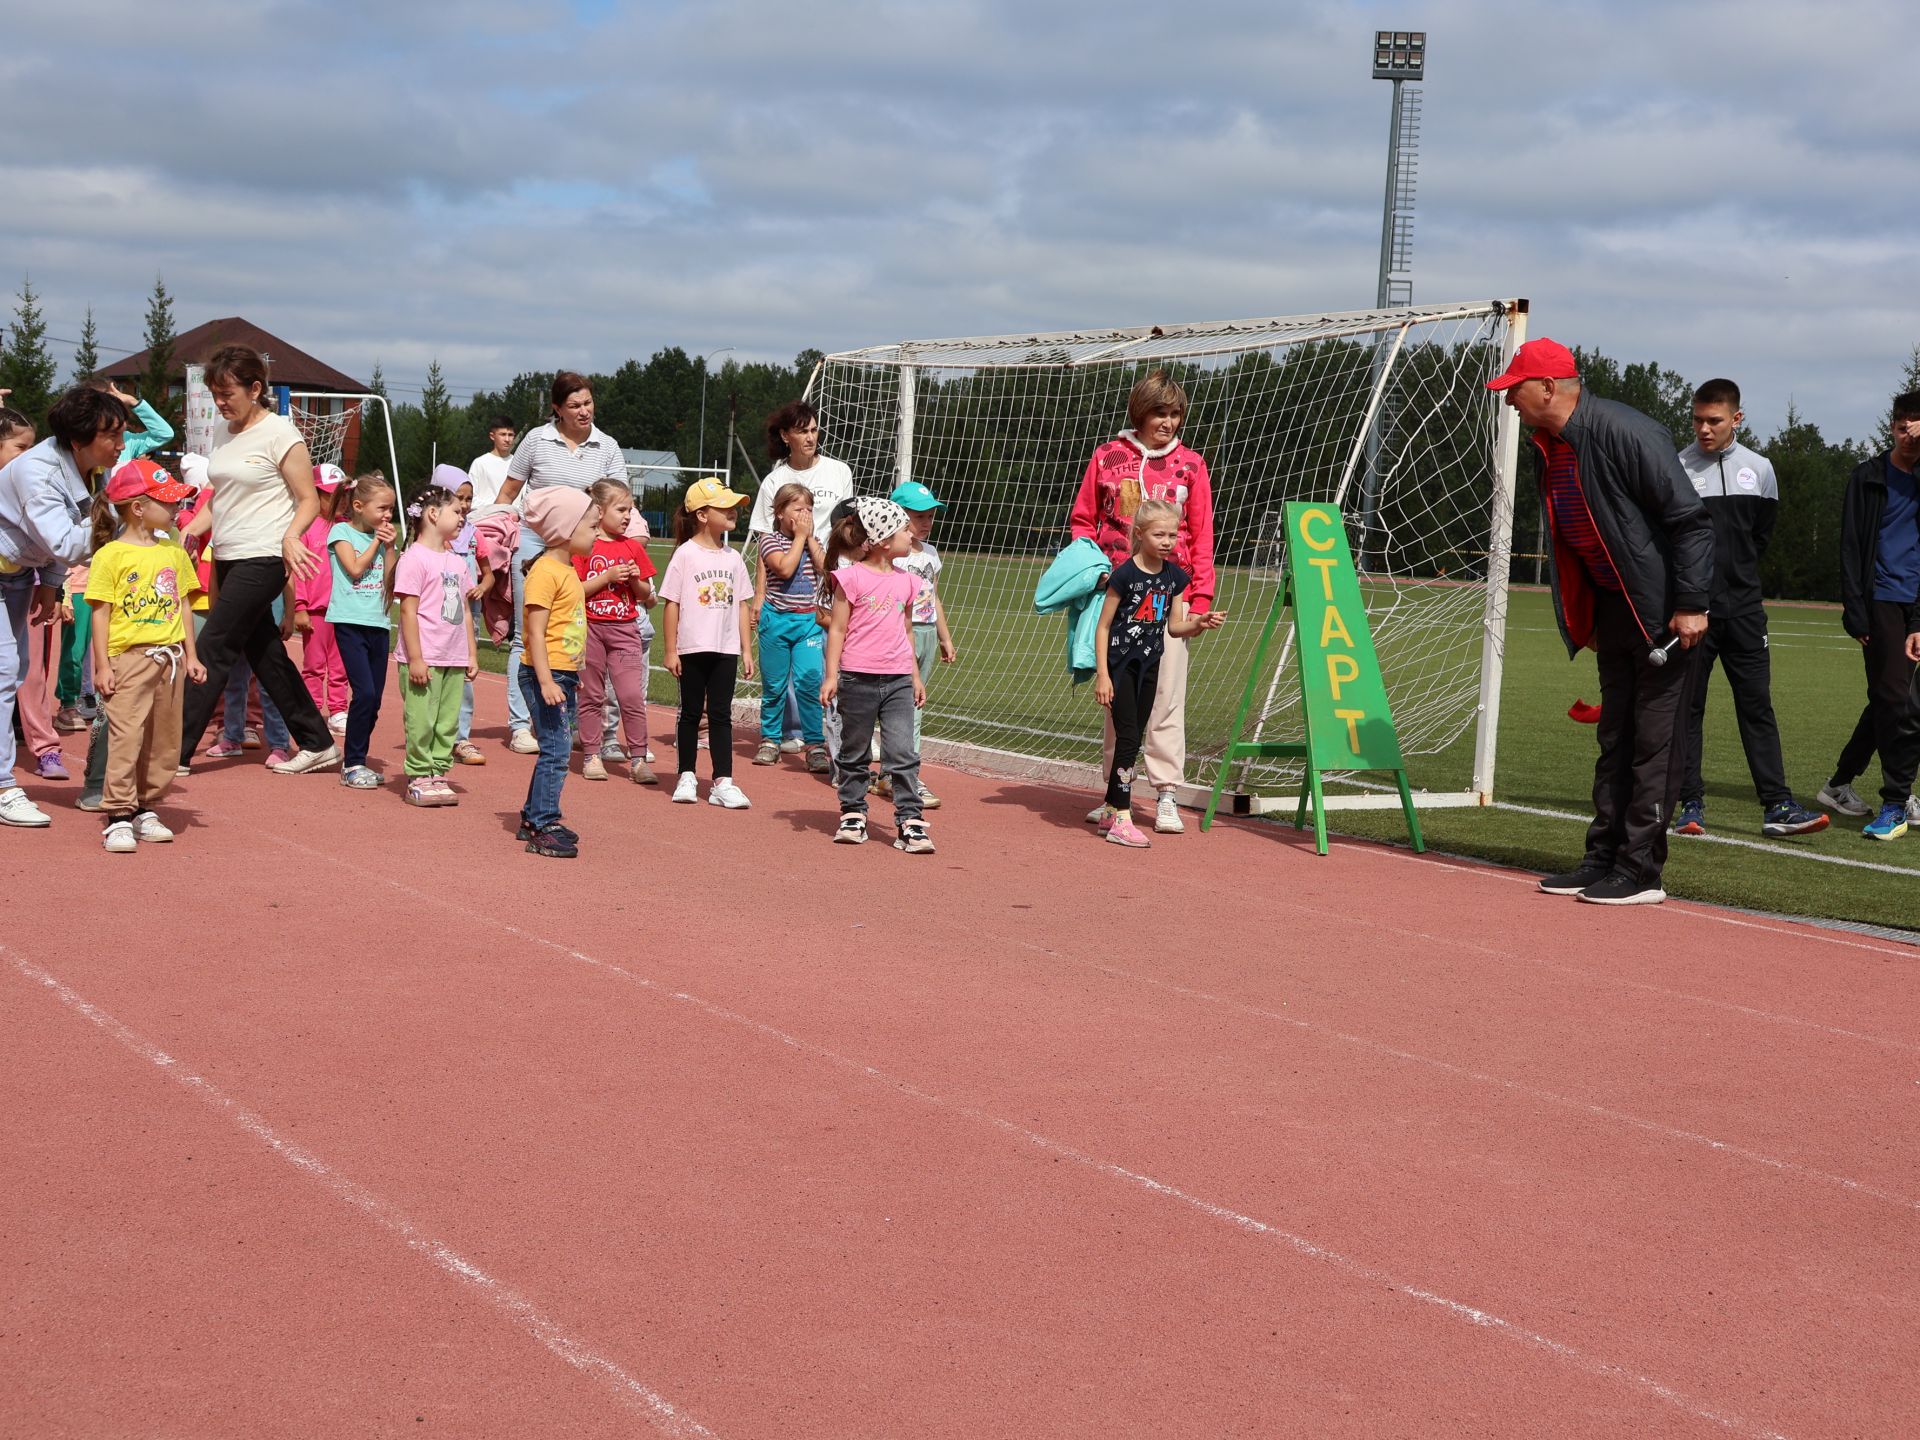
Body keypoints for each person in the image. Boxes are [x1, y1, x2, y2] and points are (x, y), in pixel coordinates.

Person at [1490, 338, 1714, 905]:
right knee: (1615, 738)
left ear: (1546, 388)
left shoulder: (1626, 432)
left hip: (1662, 613)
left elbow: (1690, 521)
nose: (1508, 401)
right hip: (1617, 607)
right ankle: (1602, 859)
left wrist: (1689, 604)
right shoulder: (1554, 443)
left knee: (1652, 744)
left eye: (1513, 389)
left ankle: (1641, 872)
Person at [1670, 380, 1828, 838]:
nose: (1704, 429)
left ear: (1736, 419)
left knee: (1757, 706)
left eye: (1714, 421)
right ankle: (1690, 804)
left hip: (1743, 610)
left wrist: (1733, 579)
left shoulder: (1760, 470)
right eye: (1697, 419)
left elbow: (1759, 536)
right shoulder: (1675, 467)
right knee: (1688, 708)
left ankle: (1777, 805)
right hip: (1693, 612)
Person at [176, 345, 339, 775]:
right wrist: (193, 529)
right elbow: (223, 496)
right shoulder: (224, 432)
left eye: (227, 393)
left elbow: (308, 501)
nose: (220, 402)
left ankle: (172, 751)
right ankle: (317, 741)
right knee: (266, 654)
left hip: (264, 557)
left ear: (255, 388)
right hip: (227, 554)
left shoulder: (282, 434)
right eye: (214, 394)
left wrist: (290, 536)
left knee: (214, 646)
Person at [1069, 368, 1217, 836]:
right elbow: (1082, 521)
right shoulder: (1107, 457)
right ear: (1140, 413)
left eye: (1176, 414)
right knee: (1120, 704)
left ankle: (1168, 793)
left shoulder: (1192, 465)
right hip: (1118, 599)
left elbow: (1202, 535)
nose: (1168, 422)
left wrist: (1200, 596)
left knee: (1167, 701)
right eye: (1160, 412)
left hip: (1171, 599)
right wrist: (1091, 570)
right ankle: (1117, 795)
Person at [0, 386, 129, 828]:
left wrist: (52, 583)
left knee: (15, 671)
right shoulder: (36, 471)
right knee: (3, 671)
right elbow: (64, 539)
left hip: (19, 572)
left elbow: (69, 536)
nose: (121, 445)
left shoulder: (92, 468)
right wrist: (128, 526)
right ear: (77, 439)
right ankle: (3, 786)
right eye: (111, 436)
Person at [492, 376, 626, 754]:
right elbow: (509, 492)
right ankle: (521, 725)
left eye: (588, 403)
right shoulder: (536, 440)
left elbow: (619, 502)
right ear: (557, 409)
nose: (584, 411)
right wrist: (494, 532)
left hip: (586, 543)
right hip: (537, 542)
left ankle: (580, 725)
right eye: (574, 406)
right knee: (528, 630)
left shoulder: (608, 447)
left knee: (578, 629)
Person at [83, 460, 206, 851]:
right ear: (138, 507)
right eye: (167, 503)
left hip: (170, 660)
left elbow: (184, 604)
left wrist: (193, 654)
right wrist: (102, 666)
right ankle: (118, 812)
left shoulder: (173, 551)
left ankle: (146, 805)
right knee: (126, 735)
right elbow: (100, 613)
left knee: (164, 738)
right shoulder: (111, 556)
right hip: (129, 658)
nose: (175, 510)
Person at [1090, 499, 1227, 848]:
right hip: (1121, 666)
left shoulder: (1175, 577)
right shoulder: (1125, 575)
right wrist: (1103, 675)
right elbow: (1103, 627)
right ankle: (1121, 815)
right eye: (1159, 534)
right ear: (1140, 534)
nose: (1167, 541)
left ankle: (1109, 807)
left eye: (1173, 534)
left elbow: (1176, 627)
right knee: (1128, 738)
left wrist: (1200, 622)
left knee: (1135, 735)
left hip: (1150, 665)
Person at [1828, 390, 1920, 841]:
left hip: (1916, 603)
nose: (1909, 434)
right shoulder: (1867, 477)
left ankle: (1839, 783)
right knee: (1898, 701)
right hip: (1881, 598)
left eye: (1917, 426)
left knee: (1891, 699)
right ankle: (1896, 803)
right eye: (1902, 425)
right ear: (1892, 427)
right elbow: (1850, 546)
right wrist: (1855, 612)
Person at [56, 380, 174, 731]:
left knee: (123, 630)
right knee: (78, 639)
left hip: (125, 551)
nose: (118, 446)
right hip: (89, 553)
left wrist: (132, 402)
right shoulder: (74, 461)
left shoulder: (130, 445)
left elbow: (164, 431)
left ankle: (112, 698)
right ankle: (70, 700)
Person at [820, 497, 932, 852]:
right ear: (884, 541)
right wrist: (831, 675)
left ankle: (910, 820)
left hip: (898, 678)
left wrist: (915, 676)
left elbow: (907, 631)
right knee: (855, 752)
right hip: (857, 678)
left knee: (902, 752)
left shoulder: (908, 582)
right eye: (904, 529)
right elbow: (837, 629)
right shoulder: (850, 578)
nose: (910, 534)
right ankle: (853, 812)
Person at [747, 401, 854, 750]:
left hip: (830, 575)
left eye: (814, 430)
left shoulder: (839, 471)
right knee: (782, 673)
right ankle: (784, 733)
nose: (810, 437)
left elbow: (847, 527)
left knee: (826, 663)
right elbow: (765, 542)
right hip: (787, 581)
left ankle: (833, 733)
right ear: (785, 435)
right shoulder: (775, 481)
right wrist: (759, 597)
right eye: (802, 431)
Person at [660, 476, 755, 808]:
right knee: (689, 713)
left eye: (734, 507)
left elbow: (742, 604)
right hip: (692, 647)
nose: (733, 512)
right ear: (702, 514)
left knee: (720, 715)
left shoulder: (733, 558)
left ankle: (722, 781)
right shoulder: (685, 555)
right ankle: (686, 775)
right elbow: (671, 603)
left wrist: (746, 649)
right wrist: (671, 649)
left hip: (725, 649)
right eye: (724, 507)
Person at [517, 487, 601, 858]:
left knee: (555, 747)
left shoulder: (567, 571)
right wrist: (548, 678)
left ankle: (533, 817)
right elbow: (535, 632)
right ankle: (542, 824)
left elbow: (566, 627)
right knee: (557, 749)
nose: (598, 533)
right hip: (542, 674)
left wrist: (569, 672)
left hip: (560, 674)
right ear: (567, 528)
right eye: (593, 526)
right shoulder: (545, 572)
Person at [393, 485, 478, 808]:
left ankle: (438, 770)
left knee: (447, 720)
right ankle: (418, 774)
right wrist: (415, 658)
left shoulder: (456, 561)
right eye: (456, 511)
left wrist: (470, 652)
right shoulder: (414, 559)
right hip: (424, 657)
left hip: (453, 656)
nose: (462, 516)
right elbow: (407, 611)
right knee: (422, 718)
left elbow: (466, 613)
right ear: (432, 514)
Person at [575, 478, 657, 785]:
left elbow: (647, 593)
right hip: (591, 628)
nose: (627, 516)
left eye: (631, 510)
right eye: (621, 509)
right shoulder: (585, 544)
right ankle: (592, 755)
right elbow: (574, 590)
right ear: (599, 510)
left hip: (625, 629)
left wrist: (635, 580)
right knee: (592, 694)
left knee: (631, 695)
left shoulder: (633, 547)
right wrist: (607, 576)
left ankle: (638, 758)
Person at [327, 472, 398, 790]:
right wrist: (376, 543)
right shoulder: (341, 532)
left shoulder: (382, 542)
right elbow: (354, 569)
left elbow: (390, 584)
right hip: (350, 621)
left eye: (391, 510)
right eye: (382, 509)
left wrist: (391, 548)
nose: (387, 516)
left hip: (379, 624)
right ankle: (353, 762)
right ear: (358, 505)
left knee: (375, 700)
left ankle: (358, 759)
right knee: (365, 693)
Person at [752, 481, 828, 773]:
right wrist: (799, 539)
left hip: (808, 621)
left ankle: (815, 745)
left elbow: (825, 569)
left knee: (809, 684)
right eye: (798, 508)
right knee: (774, 685)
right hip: (776, 621)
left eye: (809, 509)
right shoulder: (769, 540)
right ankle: (770, 739)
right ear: (781, 512)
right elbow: (783, 568)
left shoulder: (813, 541)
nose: (805, 514)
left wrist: (809, 540)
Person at [890, 479, 958, 807]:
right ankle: (905, 773)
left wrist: (945, 637)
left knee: (915, 704)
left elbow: (935, 596)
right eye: (919, 517)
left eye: (930, 516)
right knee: (903, 705)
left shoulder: (930, 554)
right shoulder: (893, 554)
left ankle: (895, 773)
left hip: (927, 632)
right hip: (901, 632)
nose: (927, 523)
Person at [291, 463, 351, 734]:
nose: (342, 500)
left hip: (343, 609)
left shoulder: (347, 528)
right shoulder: (304, 527)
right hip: (315, 610)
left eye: (345, 494)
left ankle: (338, 710)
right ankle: (313, 708)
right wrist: (299, 606)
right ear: (315, 495)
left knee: (341, 664)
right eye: (333, 494)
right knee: (314, 665)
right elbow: (297, 571)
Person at [447, 474, 490, 767]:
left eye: (468, 499)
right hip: (438, 616)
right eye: (458, 498)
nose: (464, 505)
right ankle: (435, 733)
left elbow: (489, 573)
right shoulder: (432, 536)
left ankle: (461, 737)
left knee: (464, 673)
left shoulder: (474, 534)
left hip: (467, 613)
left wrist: (482, 587)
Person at [466, 416, 518, 509]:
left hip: (514, 519)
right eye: (502, 434)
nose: (507, 439)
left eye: (510, 435)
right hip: (486, 519)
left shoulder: (519, 464)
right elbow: (470, 497)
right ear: (492, 436)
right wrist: (495, 508)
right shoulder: (480, 463)